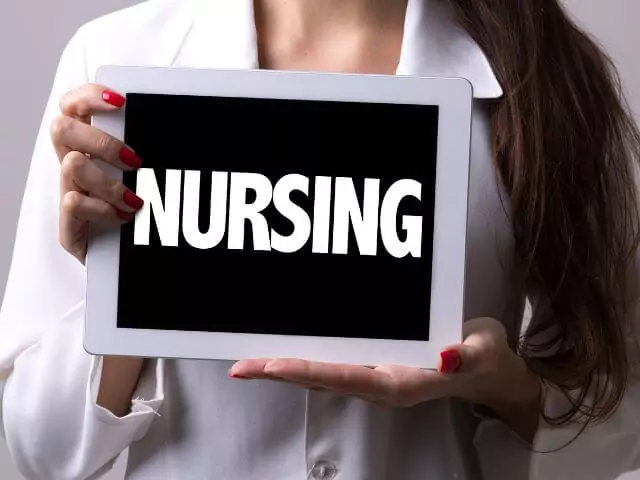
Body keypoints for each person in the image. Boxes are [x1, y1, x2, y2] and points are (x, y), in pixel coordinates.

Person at [1, 0, 639, 479]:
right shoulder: (116, 64)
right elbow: (39, 449)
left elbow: (619, 420)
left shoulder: (549, 82)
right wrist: (127, 284)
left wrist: (503, 388)